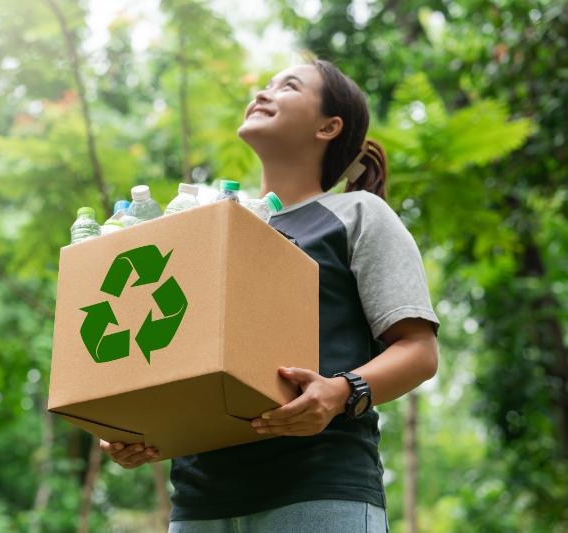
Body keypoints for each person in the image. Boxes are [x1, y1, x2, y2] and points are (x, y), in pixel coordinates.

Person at [100, 59, 440, 532]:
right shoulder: (208, 230)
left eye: (289, 86)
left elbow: (419, 351)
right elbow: (174, 356)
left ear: (329, 125)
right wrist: (134, 428)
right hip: (199, 504)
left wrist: (340, 393)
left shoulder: (356, 214)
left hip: (319, 491)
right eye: (264, 85)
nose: (263, 93)